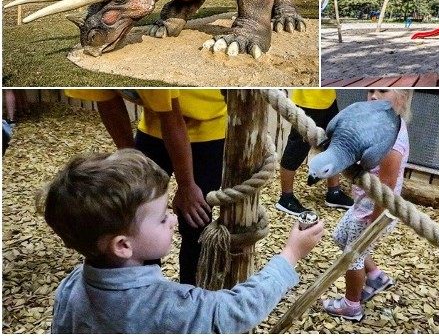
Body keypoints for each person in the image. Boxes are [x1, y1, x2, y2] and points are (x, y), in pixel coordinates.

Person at [37, 149, 324, 333]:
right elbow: (234, 311)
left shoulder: (74, 283)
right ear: (123, 245)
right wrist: (290, 256)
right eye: (162, 217)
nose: (174, 218)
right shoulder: (167, 306)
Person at [65, 89, 226, 285]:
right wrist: (132, 163)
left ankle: (191, 295)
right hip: (153, 123)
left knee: (194, 220)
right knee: (137, 215)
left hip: (205, 127)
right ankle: (143, 289)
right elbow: (107, 102)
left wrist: (187, 185)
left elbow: (172, 118)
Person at [322, 89, 413, 322]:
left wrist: (375, 222)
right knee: (339, 237)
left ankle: (351, 305)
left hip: (374, 211)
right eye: (371, 91)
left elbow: (387, 186)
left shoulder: (393, 144)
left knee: (353, 255)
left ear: (401, 99)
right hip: (362, 203)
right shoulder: (374, 123)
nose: (373, 96)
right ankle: (375, 277)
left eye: (382, 92)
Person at [276, 89, 353, 216]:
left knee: (334, 143)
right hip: (308, 102)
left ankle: (334, 193)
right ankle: (286, 198)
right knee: (296, 149)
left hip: (328, 100)